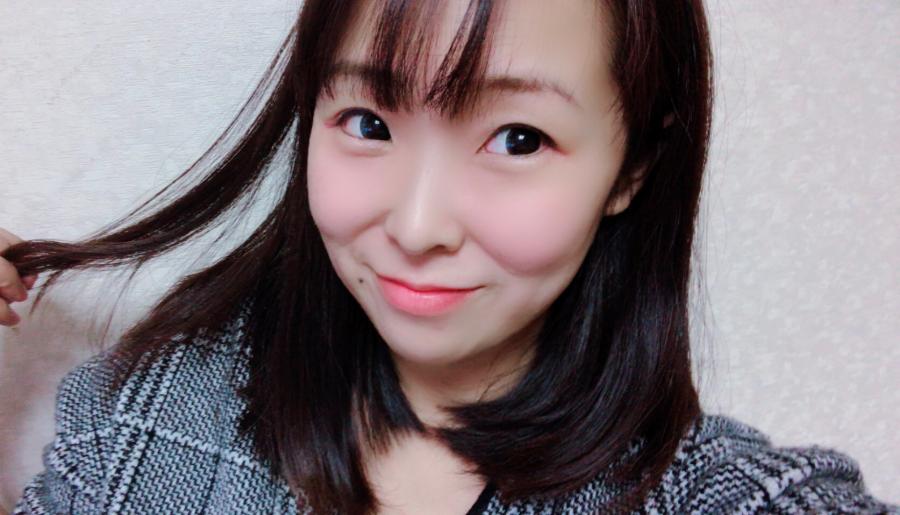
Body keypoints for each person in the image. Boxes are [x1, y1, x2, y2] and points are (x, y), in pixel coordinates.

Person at [1, 0, 896, 513]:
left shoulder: (713, 493)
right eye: (369, 122)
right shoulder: (146, 412)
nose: (419, 224)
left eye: (518, 138)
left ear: (633, 167)